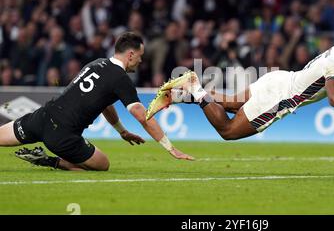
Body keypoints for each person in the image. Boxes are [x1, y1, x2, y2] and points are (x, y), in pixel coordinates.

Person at [147, 24, 334, 143]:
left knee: (231, 103)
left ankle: (180, 95)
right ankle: (195, 88)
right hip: (279, 98)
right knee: (229, 131)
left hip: (278, 79)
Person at [0, 32, 193, 171]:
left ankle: (42, 154)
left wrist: (121, 131)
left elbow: (104, 103)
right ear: (130, 55)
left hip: (42, 117)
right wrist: (170, 148)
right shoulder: (121, 79)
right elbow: (142, 116)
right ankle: (50, 161)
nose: (141, 62)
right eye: (140, 57)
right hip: (63, 134)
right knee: (102, 164)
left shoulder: (96, 63)